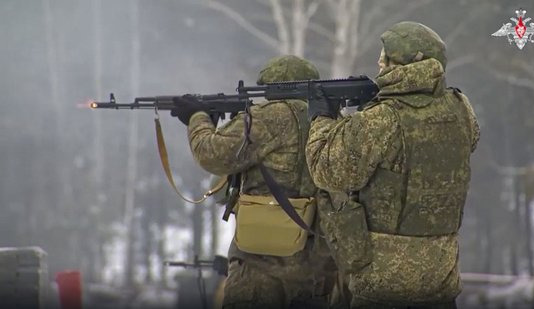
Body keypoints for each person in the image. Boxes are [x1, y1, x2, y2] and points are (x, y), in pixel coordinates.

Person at [305, 21, 480, 308]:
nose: (379, 62)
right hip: (441, 275)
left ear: (405, 65)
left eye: (385, 57)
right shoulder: (462, 108)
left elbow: (328, 171)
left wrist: (322, 120)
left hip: (384, 281)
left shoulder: (383, 118)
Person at [171, 55, 336, 309]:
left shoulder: (268, 117)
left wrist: (197, 118)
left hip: (260, 266)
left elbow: (211, 153)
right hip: (316, 269)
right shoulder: (330, 121)